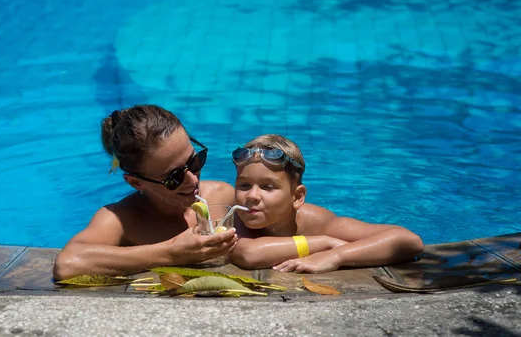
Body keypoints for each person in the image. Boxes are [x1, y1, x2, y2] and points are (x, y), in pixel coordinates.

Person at [53, 105, 237, 280]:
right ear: (136, 182)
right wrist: (171, 253)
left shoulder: (222, 196)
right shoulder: (122, 220)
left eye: (195, 161)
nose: (193, 179)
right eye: (174, 177)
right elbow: (67, 264)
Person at [228, 134, 424, 273]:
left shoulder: (319, 223)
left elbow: (408, 241)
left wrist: (336, 256)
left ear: (297, 197)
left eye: (267, 187)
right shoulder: (234, 218)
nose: (252, 195)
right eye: (244, 185)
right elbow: (248, 253)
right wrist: (325, 243)